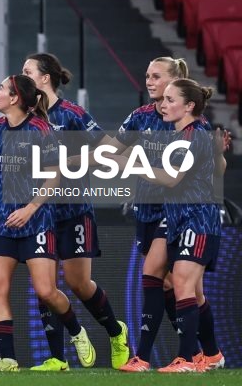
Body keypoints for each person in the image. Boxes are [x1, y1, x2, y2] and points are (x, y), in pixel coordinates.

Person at [0, 74, 95, 372]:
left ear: (14, 98)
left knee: (46, 292)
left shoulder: (41, 130)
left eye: (1, 88)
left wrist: (31, 208)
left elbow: (55, 175)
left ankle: (76, 330)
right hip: (1, 222)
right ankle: (8, 359)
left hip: (37, 222)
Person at [106, 57, 227, 372]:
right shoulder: (180, 129)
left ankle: (174, 358)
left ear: (185, 103)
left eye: (157, 78)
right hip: (172, 216)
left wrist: (133, 163)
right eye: (146, 75)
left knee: (173, 282)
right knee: (183, 287)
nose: (149, 83)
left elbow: (173, 177)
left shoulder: (192, 131)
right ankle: (208, 354)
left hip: (193, 218)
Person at [22, 54, 129, 371]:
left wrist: (70, 161)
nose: (22, 75)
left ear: (45, 78)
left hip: (73, 208)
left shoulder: (71, 114)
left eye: (28, 71)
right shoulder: (25, 117)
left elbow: (110, 149)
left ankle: (115, 332)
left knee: (78, 283)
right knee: (45, 285)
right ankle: (57, 358)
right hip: (40, 212)